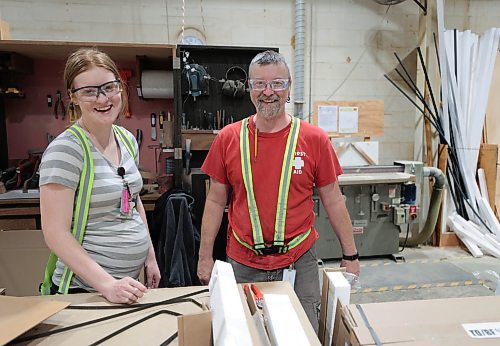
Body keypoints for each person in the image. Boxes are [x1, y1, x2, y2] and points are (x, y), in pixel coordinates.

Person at [197, 50, 360, 331]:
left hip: (299, 262)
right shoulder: (228, 138)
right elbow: (214, 201)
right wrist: (204, 257)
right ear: (249, 88)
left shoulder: (314, 139)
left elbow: (333, 199)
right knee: (244, 335)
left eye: (277, 84)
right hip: (242, 262)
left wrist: (351, 256)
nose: (268, 92)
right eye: (259, 84)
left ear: (288, 88)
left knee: (302, 333)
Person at [39, 47, 160, 304]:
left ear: (120, 88)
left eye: (109, 87)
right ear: (73, 98)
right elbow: (55, 233)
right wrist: (107, 285)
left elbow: (132, 199)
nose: (102, 99)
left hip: (124, 286)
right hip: (86, 291)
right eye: (89, 91)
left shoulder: (126, 140)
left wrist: (149, 256)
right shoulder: (66, 150)